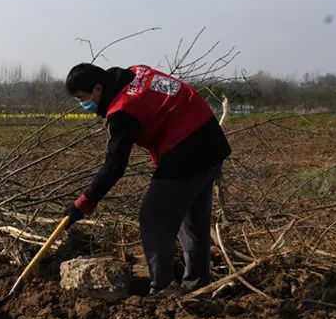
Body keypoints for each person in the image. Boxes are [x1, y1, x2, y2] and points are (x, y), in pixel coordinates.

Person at [63, 63, 231, 295]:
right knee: (192, 222)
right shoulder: (136, 72)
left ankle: (162, 290)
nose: (84, 105)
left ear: (98, 89)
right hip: (211, 140)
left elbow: (115, 165)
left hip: (187, 149)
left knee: (153, 217)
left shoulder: (122, 110)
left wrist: (83, 203)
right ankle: (197, 287)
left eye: (83, 98)